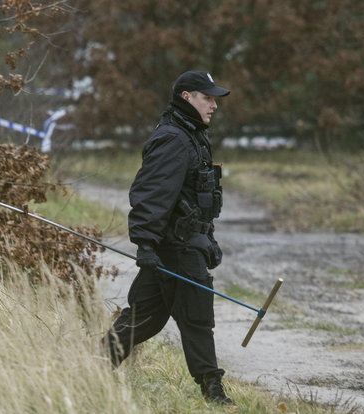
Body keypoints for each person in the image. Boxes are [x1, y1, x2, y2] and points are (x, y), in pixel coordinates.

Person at [105, 70, 233, 405]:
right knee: (196, 318)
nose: (214, 106)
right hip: (174, 247)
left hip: (183, 243)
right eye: (208, 98)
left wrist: (209, 240)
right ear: (187, 97)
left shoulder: (191, 136)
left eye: (215, 99)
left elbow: (195, 200)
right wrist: (146, 245)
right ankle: (213, 392)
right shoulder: (174, 139)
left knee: (143, 319)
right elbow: (151, 195)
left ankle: (92, 367)